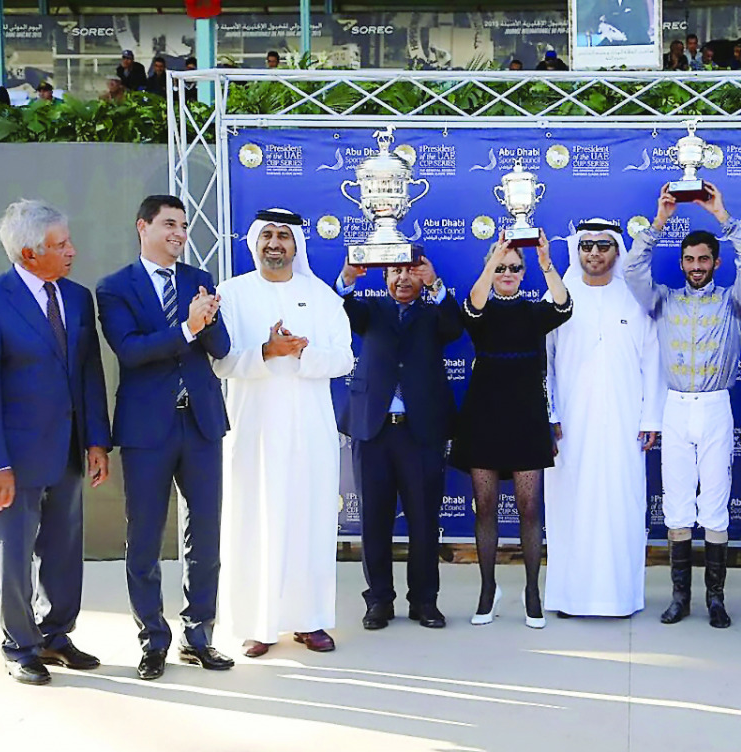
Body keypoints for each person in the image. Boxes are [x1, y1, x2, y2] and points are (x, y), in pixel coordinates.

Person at [0, 199, 112, 685]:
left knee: (64, 552)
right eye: (61, 244)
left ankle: (55, 636)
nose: (72, 251)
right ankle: (19, 646)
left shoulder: (77, 297)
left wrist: (96, 442)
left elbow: (88, 373)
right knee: (14, 555)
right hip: (12, 460)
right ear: (29, 253)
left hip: (68, 451)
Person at [96, 195, 233, 680]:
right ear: (144, 227)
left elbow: (221, 348)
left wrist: (209, 321)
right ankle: (153, 640)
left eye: (184, 225)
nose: (179, 232)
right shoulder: (114, 288)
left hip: (201, 424)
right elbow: (131, 352)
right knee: (145, 538)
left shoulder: (199, 280)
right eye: (170, 224)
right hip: (147, 429)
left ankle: (200, 636)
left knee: (207, 537)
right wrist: (187, 326)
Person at [624, 182, 741, 628]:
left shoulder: (733, 302)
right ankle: (679, 598)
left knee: (717, 502)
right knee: (678, 503)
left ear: (715, 262)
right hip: (676, 407)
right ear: (682, 263)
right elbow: (631, 270)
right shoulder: (662, 299)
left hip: (716, 405)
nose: (697, 266)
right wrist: (661, 220)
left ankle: (716, 600)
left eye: (704, 259)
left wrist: (722, 216)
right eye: (690, 259)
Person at [214, 210, 353, 657]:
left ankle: (310, 621)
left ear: (296, 245)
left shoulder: (322, 295)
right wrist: (266, 352)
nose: (275, 244)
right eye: (267, 236)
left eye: (284, 237)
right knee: (255, 522)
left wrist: (302, 353)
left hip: (310, 433)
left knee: (308, 521)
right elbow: (221, 362)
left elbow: (344, 360)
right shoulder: (231, 294)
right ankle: (259, 624)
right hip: (253, 431)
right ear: (255, 242)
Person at [544, 219, 664, 619]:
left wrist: (651, 417)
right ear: (577, 251)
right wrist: (551, 413)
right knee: (569, 506)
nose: (593, 253)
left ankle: (619, 598)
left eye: (603, 246)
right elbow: (543, 365)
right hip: (569, 428)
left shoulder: (635, 299)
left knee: (622, 506)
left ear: (616, 250)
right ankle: (569, 598)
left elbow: (653, 360)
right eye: (587, 246)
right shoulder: (559, 297)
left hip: (625, 423)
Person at [451, 233, 572, 629]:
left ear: (524, 273)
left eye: (513, 268)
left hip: (526, 419)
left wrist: (545, 263)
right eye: (500, 267)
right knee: (484, 508)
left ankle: (532, 592)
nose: (507, 273)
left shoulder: (535, 311)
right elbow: (472, 305)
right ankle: (488, 590)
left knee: (529, 508)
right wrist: (494, 259)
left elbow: (563, 305)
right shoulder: (479, 309)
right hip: (484, 416)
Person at [336, 257, 464, 631]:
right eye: (396, 272)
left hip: (420, 432)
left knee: (424, 521)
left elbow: (455, 328)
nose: (404, 278)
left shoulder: (434, 312)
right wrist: (347, 277)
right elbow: (341, 308)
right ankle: (378, 601)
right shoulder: (370, 310)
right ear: (385, 277)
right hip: (373, 432)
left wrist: (437, 285)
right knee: (374, 522)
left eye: (411, 271)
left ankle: (425, 602)